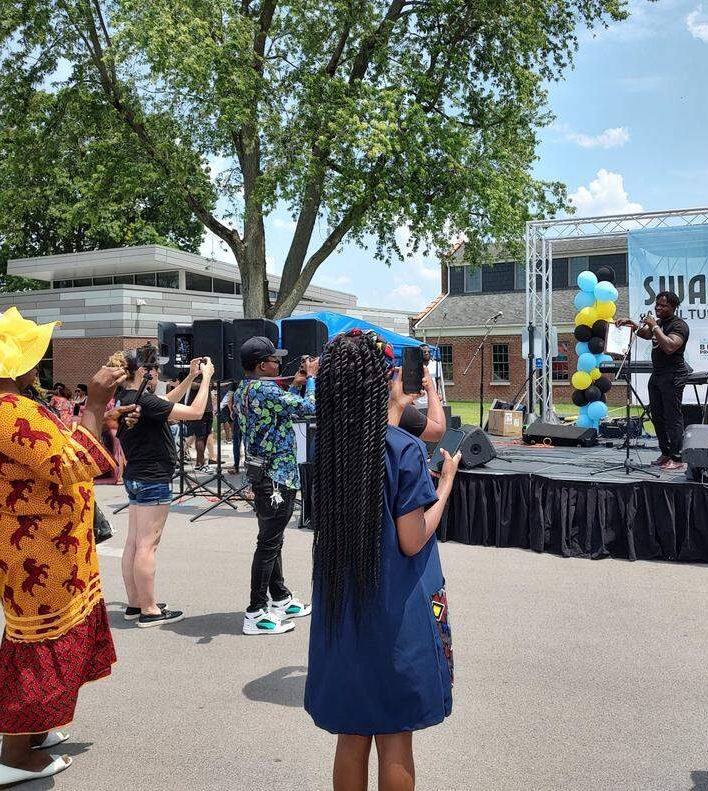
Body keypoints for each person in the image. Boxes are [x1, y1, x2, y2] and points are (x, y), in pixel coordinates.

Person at [0, 307, 131, 788]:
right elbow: (74, 464)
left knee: (45, 632)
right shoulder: (6, 409)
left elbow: (39, 459)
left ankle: (35, 729)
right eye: (28, 353)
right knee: (38, 640)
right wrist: (95, 404)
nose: (37, 362)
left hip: (19, 538)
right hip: (35, 548)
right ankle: (14, 756)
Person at [304, 329, 462, 791]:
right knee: (395, 735)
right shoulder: (402, 448)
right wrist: (445, 485)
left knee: (351, 734)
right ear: (381, 381)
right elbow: (412, 540)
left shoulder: (330, 447)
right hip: (394, 609)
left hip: (343, 607)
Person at [114, 350, 215, 628]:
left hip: (137, 475)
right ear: (141, 372)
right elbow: (195, 413)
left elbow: (166, 402)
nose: (157, 373)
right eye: (153, 369)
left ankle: (136, 603)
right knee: (148, 545)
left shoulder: (127, 398)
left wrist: (191, 377)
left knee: (134, 542)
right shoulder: (143, 399)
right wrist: (206, 379)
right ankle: (149, 610)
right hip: (153, 477)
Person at [233, 335, 317, 634]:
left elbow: (280, 411)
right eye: (274, 361)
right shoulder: (265, 389)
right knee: (269, 543)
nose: (279, 364)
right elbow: (308, 409)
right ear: (261, 365)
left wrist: (295, 385)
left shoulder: (244, 389)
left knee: (272, 539)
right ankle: (256, 612)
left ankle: (279, 597)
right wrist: (312, 380)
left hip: (264, 474)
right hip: (276, 477)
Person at [617, 290, 691, 470]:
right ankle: (665, 453)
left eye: (663, 305)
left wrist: (655, 327)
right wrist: (632, 324)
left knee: (672, 417)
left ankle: (678, 457)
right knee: (657, 416)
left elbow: (670, 346)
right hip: (657, 374)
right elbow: (647, 334)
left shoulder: (679, 325)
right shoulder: (660, 323)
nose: (658, 308)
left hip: (673, 375)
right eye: (657, 304)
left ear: (673, 307)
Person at [395, 345, 447, 443]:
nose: (427, 353)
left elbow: (439, 380)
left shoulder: (435, 364)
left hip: (427, 400)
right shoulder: (396, 408)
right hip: (417, 401)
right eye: (424, 351)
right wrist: (430, 389)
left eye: (429, 351)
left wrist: (437, 392)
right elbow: (437, 431)